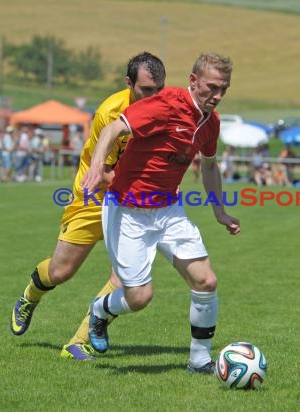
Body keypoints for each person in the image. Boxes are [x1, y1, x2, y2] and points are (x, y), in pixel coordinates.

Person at [81, 52, 241, 374]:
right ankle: (100, 309)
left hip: (168, 209)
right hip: (127, 210)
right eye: (212, 87)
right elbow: (114, 129)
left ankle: (199, 362)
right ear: (193, 81)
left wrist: (219, 212)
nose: (218, 96)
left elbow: (209, 166)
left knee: (206, 281)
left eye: (224, 89)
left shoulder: (212, 123)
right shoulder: (167, 104)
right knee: (139, 298)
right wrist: (97, 168)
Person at [10, 52, 166, 361]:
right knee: (61, 271)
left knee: (125, 278)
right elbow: (106, 173)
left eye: (158, 89)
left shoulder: (162, 109)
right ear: (129, 83)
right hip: (94, 193)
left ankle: (77, 343)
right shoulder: (111, 112)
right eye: (146, 90)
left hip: (130, 200)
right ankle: (30, 295)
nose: (153, 97)